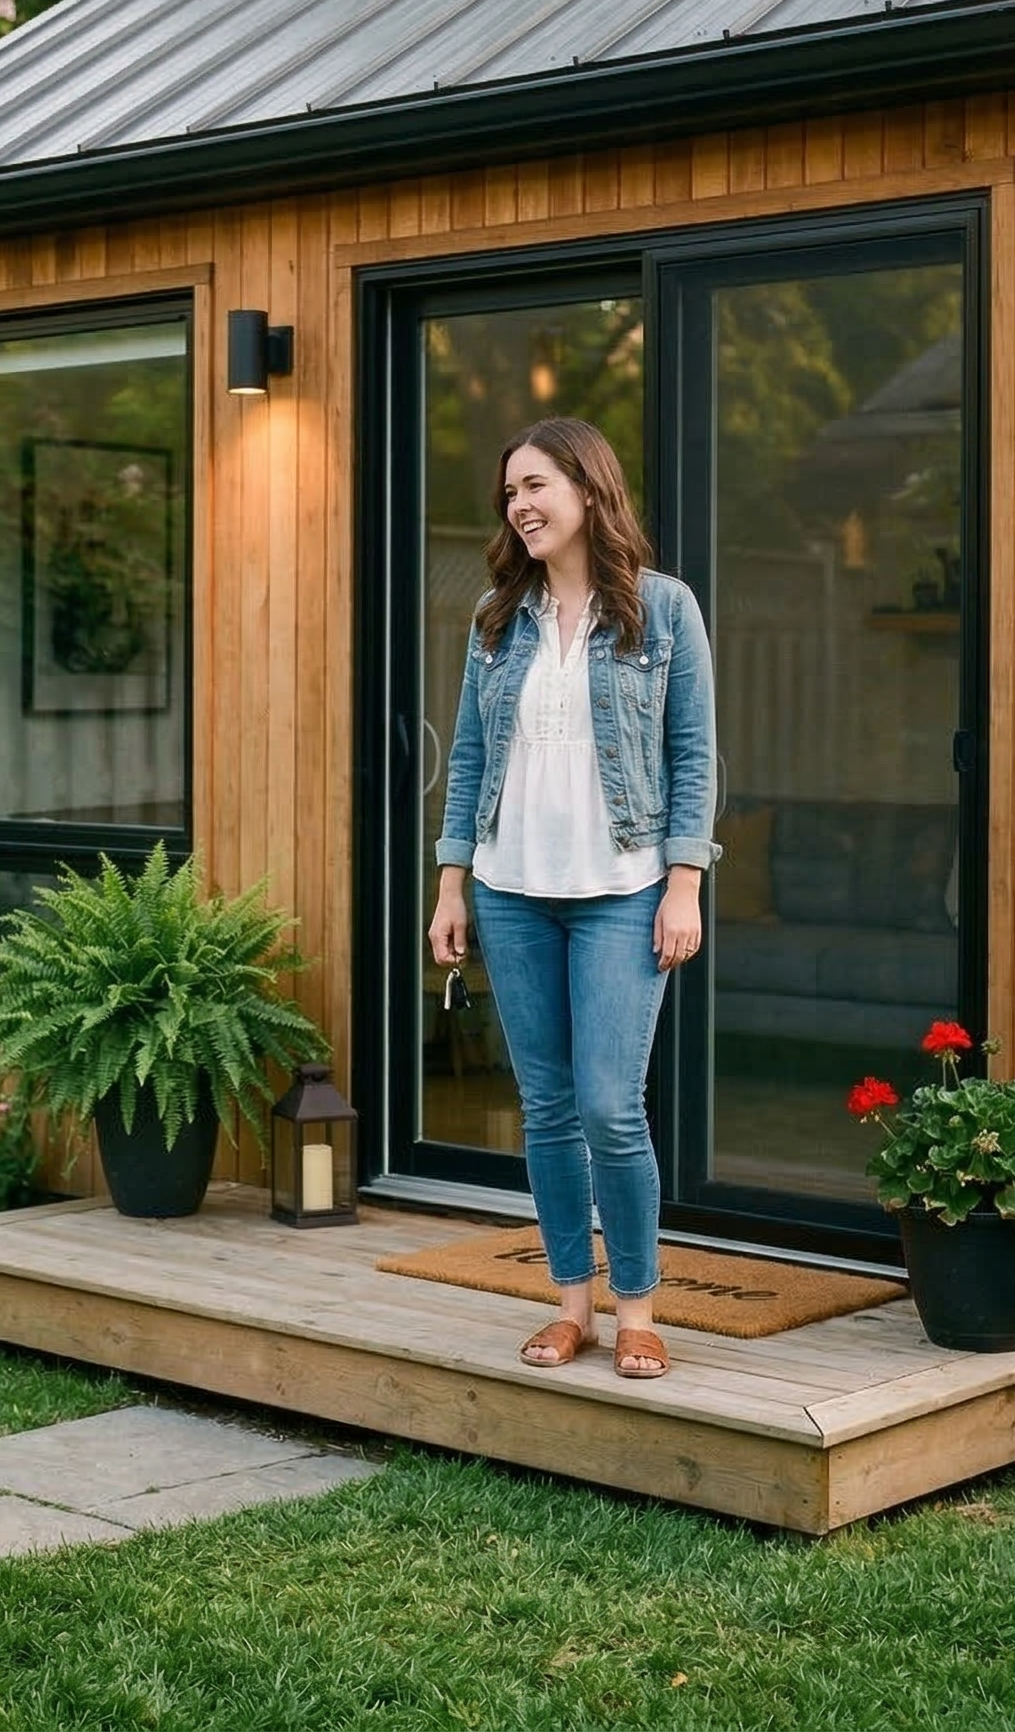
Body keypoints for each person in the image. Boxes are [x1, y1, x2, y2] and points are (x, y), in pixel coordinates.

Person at [428, 417, 719, 1380]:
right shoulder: (496, 618)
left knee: (610, 1108)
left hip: (623, 893)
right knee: (548, 1109)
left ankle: (637, 1311)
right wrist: (451, 883)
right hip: (512, 891)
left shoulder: (662, 610)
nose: (520, 505)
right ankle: (571, 1308)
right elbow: (471, 757)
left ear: (589, 490)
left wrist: (684, 883)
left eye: (536, 485)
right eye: (510, 492)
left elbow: (693, 755)